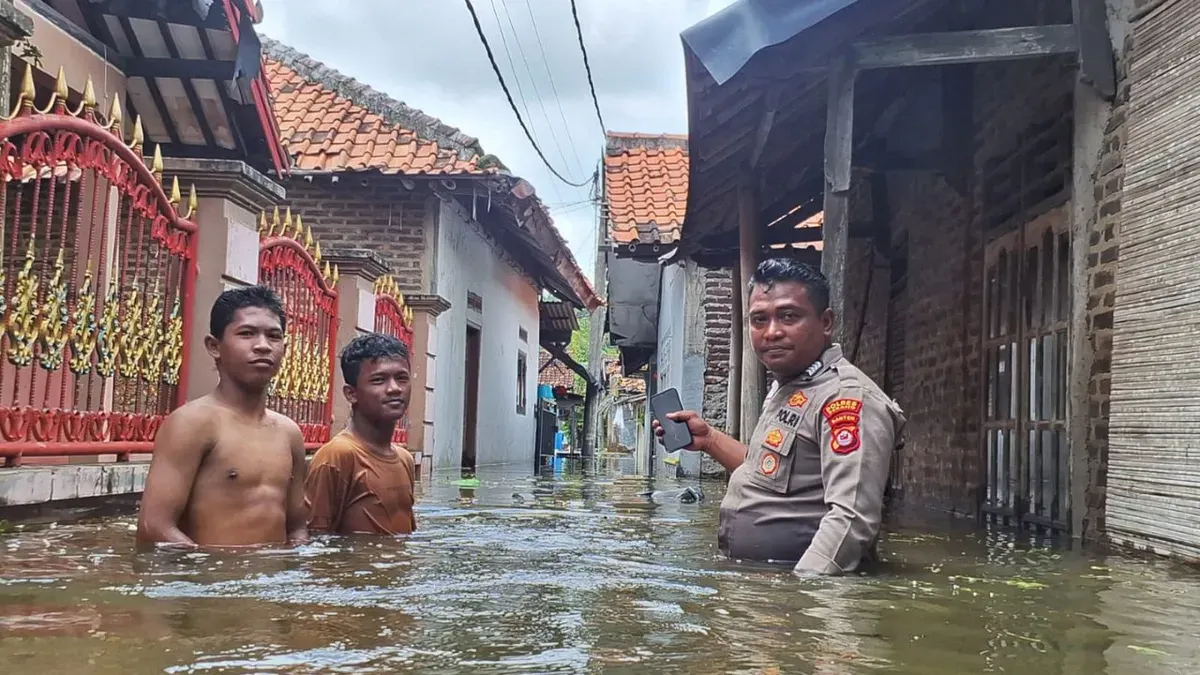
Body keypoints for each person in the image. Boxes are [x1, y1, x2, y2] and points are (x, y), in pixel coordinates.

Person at [654, 258, 905, 576]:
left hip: (793, 603)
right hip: (762, 592)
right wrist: (709, 440)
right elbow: (768, 473)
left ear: (826, 322)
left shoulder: (845, 399)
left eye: (789, 316)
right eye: (759, 319)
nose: (771, 332)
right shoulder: (791, 387)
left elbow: (852, 520)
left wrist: (795, 597)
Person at [137, 286, 308, 549]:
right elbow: (155, 527)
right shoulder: (193, 423)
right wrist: (209, 574)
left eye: (274, 336)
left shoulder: (289, 433)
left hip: (272, 585)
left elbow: (296, 527)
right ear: (214, 346)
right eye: (247, 334)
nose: (263, 346)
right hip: (211, 584)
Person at [304, 333, 418, 535]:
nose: (394, 389)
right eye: (378, 380)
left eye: (401, 378)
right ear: (351, 393)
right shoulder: (337, 456)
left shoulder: (405, 459)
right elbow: (315, 542)